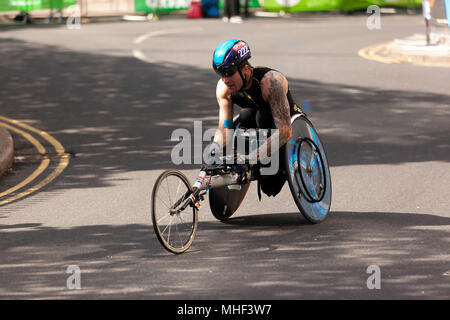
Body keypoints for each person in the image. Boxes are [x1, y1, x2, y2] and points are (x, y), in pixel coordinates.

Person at [209, 39, 303, 198]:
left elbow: (285, 132)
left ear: (245, 69)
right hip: (258, 134)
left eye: (229, 73)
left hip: (284, 130)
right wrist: (214, 150)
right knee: (246, 116)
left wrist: (252, 158)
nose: (225, 80)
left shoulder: (271, 82)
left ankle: (273, 168)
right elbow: (224, 129)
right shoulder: (224, 89)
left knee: (270, 187)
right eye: (221, 74)